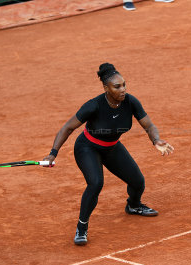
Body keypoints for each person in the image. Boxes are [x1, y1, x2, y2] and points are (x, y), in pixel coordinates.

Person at [43, 63, 174, 246]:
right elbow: (68, 127)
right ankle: (82, 227)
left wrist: (156, 140)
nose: (123, 89)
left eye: (124, 85)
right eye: (117, 86)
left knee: (138, 182)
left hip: (112, 148)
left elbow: (149, 125)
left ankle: (133, 205)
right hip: (87, 148)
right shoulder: (94, 105)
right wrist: (52, 153)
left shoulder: (131, 102)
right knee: (96, 183)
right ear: (106, 88)